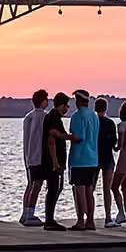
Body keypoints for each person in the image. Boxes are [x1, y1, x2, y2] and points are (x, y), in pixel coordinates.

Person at [43, 92, 78, 231]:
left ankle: (50, 218)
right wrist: (70, 137)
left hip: (57, 161)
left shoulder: (56, 117)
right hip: (53, 161)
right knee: (53, 189)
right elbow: (52, 138)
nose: (67, 109)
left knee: (57, 188)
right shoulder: (53, 117)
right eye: (66, 106)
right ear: (60, 105)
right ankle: (49, 220)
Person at [67, 90, 101, 230]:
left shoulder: (76, 116)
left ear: (78, 101)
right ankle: (91, 220)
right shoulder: (94, 116)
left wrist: (63, 136)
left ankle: (81, 220)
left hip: (79, 158)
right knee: (89, 191)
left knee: (79, 190)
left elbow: (78, 136)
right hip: (93, 158)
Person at [19, 90, 51, 227]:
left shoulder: (28, 117)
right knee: (36, 185)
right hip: (40, 156)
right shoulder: (44, 117)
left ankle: (25, 213)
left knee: (30, 184)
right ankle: (30, 214)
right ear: (43, 101)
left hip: (29, 156)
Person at [95, 97, 117, 226]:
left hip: (94, 157)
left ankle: (88, 216)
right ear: (106, 108)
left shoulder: (94, 122)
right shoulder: (110, 123)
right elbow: (114, 142)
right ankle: (108, 217)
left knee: (90, 188)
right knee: (106, 189)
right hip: (108, 157)